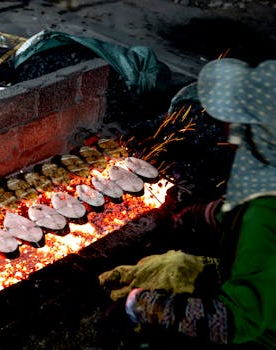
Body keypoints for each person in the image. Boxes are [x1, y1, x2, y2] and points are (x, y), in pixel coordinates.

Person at [99, 58, 276, 349]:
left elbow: (232, 321)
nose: (227, 135)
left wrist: (138, 305)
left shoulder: (264, 212)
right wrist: (202, 213)